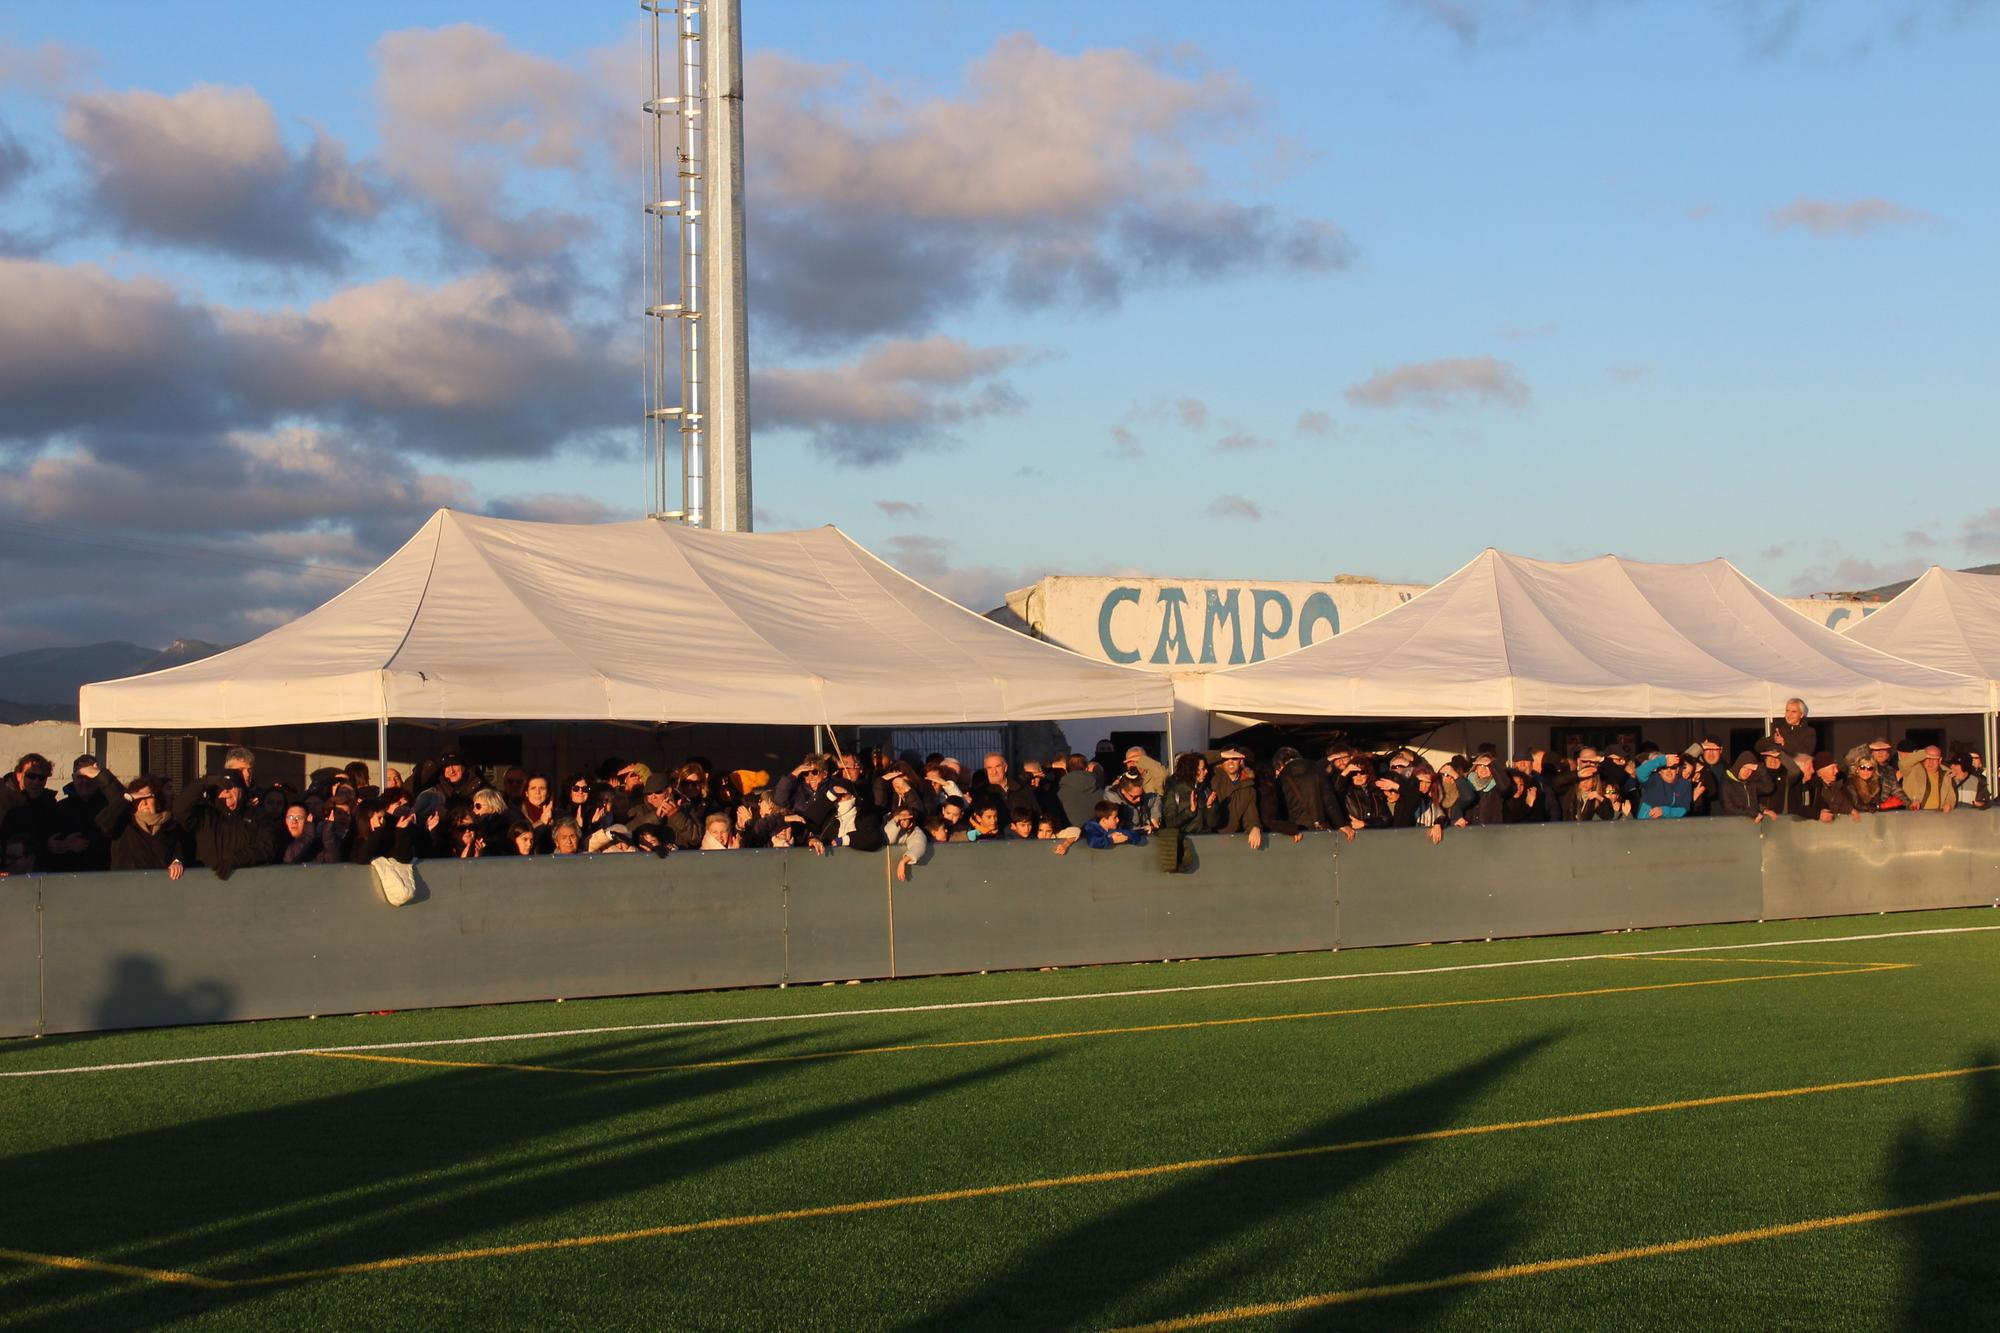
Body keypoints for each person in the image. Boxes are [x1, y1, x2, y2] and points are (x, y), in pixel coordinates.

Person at [172, 771, 276, 880]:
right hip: (206, 884)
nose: (226, 791)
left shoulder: (258, 816)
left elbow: (267, 848)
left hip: (246, 884)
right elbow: (179, 808)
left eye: (231, 787)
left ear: (241, 789)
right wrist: (205, 782)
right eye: (220, 788)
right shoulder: (205, 815)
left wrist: (235, 860)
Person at [94, 770, 182, 871]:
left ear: (157, 801)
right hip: (127, 883)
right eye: (139, 799)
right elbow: (102, 823)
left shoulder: (169, 824)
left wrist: (177, 861)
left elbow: (177, 850)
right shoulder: (125, 822)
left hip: (157, 883)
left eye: (148, 797)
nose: (144, 802)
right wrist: (127, 798)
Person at [0, 752, 58, 872]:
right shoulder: (4, 801)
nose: (36, 782)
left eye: (41, 777)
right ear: (19, 775)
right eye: (31, 776)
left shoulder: (49, 804)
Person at [1207, 747, 1265, 848]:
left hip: (1230, 841)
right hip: (1207, 838)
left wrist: (1255, 827)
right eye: (1226, 759)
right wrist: (1220, 754)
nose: (1230, 762)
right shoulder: (1212, 777)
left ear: (1241, 761)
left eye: (1234, 759)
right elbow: (1194, 761)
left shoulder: (1248, 787)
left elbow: (1251, 816)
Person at [1633, 751, 1692, 819]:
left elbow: (1683, 809)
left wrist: (1663, 811)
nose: (1669, 771)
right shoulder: (1653, 779)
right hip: (1646, 824)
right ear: (1660, 771)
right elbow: (1640, 773)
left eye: (1673, 768)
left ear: (1677, 770)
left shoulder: (1685, 784)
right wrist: (1662, 760)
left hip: (1669, 826)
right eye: (1664, 768)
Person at [1898, 744, 1956, 812]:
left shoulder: (1946, 774)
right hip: (1915, 815)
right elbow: (1902, 763)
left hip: (1938, 817)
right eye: (1928, 758)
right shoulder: (1912, 770)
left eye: (1934, 759)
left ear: (1940, 760)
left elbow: (1951, 797)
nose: (1930, 762)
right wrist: (1923, 754)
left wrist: (1949, 804)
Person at [1719, 752, 1772, 821]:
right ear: (1738, 766)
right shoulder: (1727, 782)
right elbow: (1728, 807)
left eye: (1750, 769)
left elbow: (1768, 788)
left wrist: (1761, 769)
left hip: (1752, 823)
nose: (1746, 772)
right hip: (1732, 824)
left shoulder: (1751, 782)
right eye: (1744, 768)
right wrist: (1753, 813)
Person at [1809, 753, 1860, 822]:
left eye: (1836, 767)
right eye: (1833, 768)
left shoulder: (1837, 787)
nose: (1836, 771)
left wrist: (1851, 810)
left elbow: (1844, 803)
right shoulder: (1814, 788)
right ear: (1821, 771)